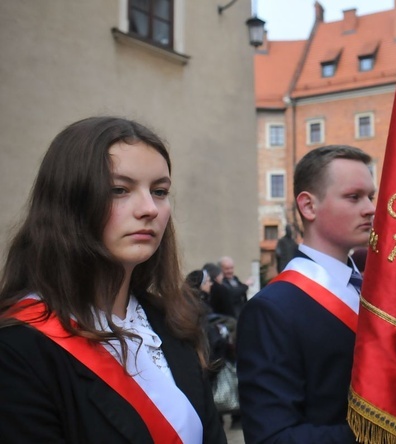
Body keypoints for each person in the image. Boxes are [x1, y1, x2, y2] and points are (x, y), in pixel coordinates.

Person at [0, 117, 226, 443]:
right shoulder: (18, 348)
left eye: (160, 191)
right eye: (120, 190)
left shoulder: (172, 322)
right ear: (69, 202)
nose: (149, 208)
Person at [236, 145, 376, 444]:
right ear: (308, 206)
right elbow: (272, 437)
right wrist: (383, 436)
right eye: (354, 197)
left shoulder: (374, 290)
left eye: (370, 196)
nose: (370, 208)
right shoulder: (273, 309)